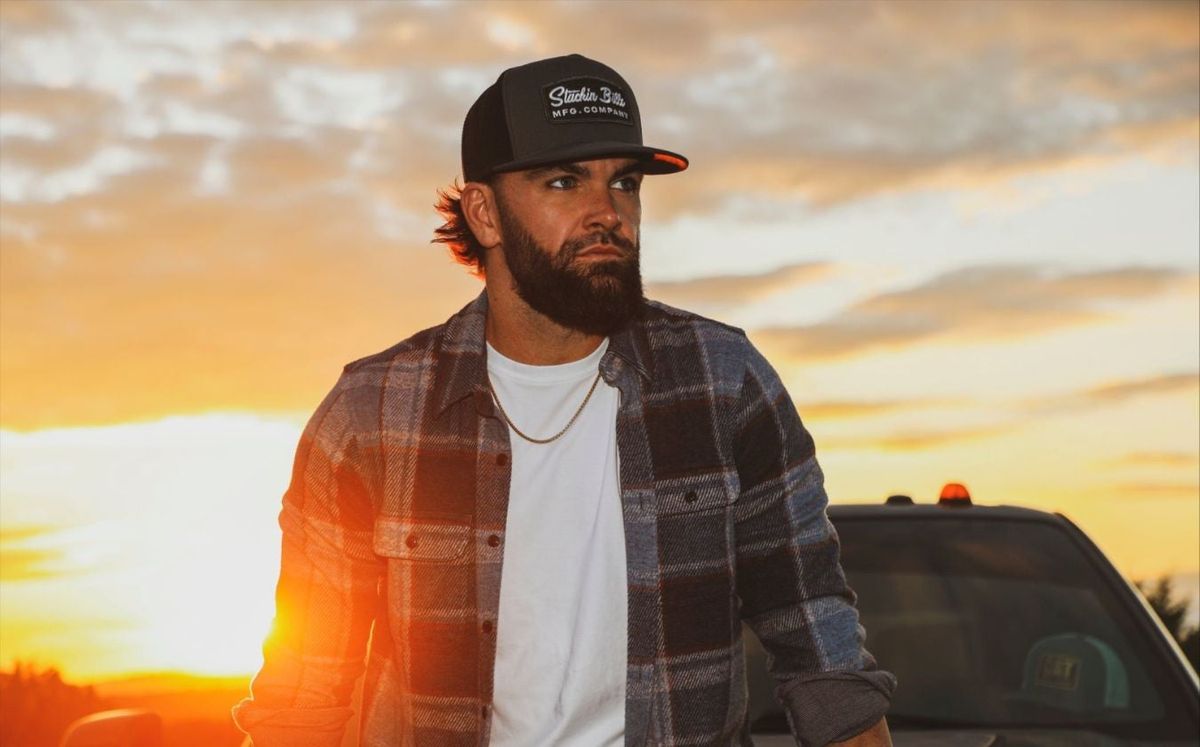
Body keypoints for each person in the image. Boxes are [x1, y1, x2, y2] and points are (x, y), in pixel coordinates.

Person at [233, 53, 895, 746]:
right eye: (563, 181)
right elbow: (304, 693)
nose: (608, 213)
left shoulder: (722, 384)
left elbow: (821, 652)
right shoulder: (372, 417)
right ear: (485, 214)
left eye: (625, 183)